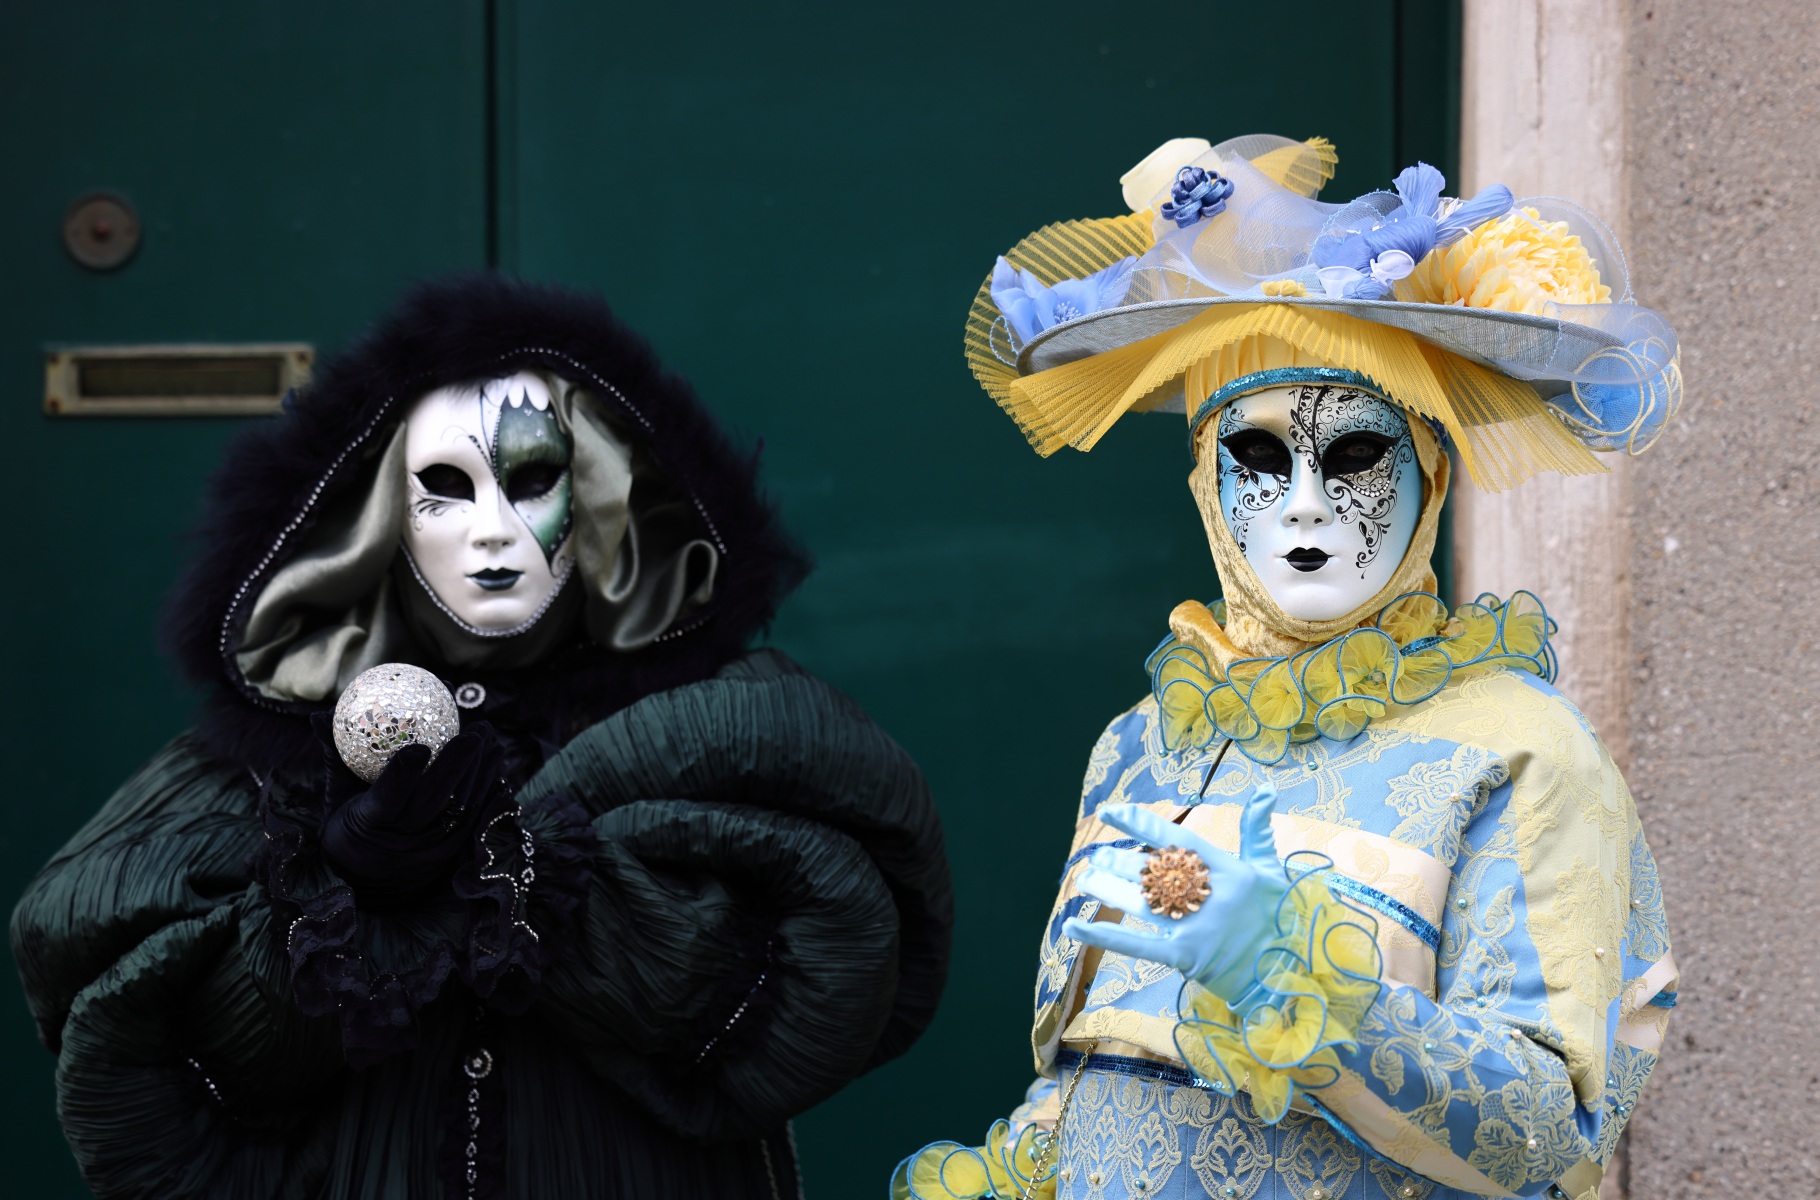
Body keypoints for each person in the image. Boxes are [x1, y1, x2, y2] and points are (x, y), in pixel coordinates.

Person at [11, 275, 952, 1200]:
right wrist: (348, 897)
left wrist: (534, 879)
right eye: (446, 489)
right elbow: (164, 1065)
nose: (494, 531)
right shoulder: (256, 774)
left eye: (534, 479)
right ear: (380, 516)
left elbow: (795, 1010)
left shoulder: (731, 741)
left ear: (600, 492)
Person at [894, 135, 1677, 1200]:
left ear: (1431, 476)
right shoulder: (1145, 743)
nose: (1305, 503)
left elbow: (1547, 1132)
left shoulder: (1519, 749)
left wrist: (1297, 980)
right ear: (1206, 486)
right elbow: (1094, 1076)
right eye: (1257, 456)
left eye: (1354, 455)